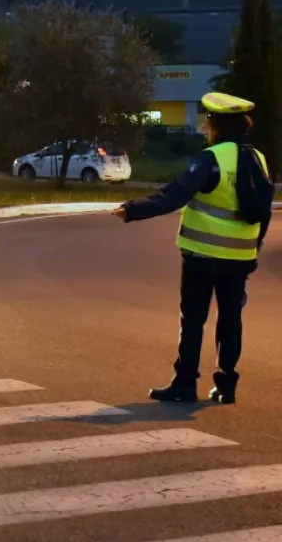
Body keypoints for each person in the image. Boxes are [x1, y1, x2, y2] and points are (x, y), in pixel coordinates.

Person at [115, 92, 274, 404]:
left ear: (217, 124)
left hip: (203, 255)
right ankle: (226, 386)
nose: (206, 125)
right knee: (230, 318)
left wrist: (132, 210)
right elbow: (263, 210)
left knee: (193, 319)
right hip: (240, 256)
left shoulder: (210, 159)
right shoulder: (259, 159)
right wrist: (255, 248)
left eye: (209, 120)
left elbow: (175, 196)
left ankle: (185, 383)